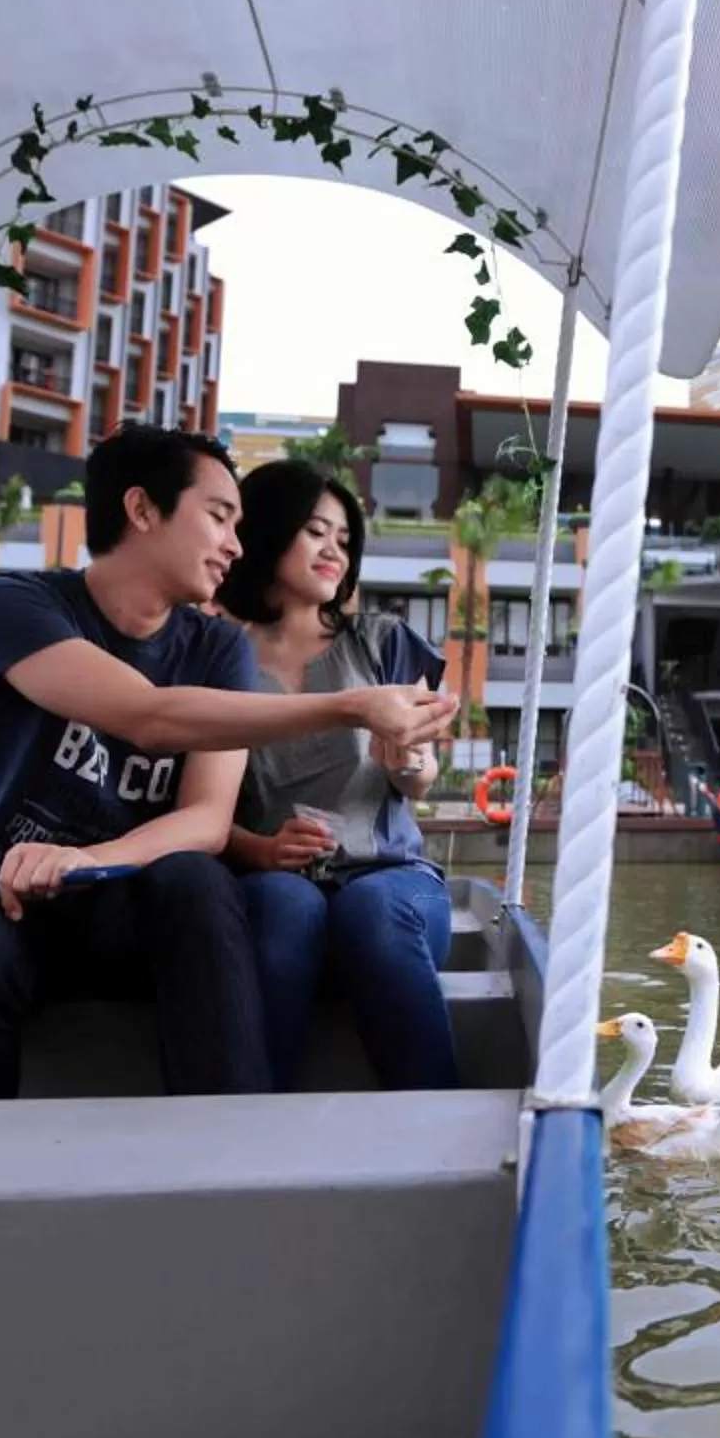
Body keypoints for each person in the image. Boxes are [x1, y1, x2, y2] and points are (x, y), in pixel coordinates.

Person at [0, 425, 456, 1102]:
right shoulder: (9, 605)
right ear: (141, 509)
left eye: (240, 525)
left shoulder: (220, 649)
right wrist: (354, 708)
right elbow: (148, 715)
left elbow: (207, 820)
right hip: (0, 891)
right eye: (218, 517)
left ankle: (230, 1129)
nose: (235, 545)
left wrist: (89, 859)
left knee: (198, 880)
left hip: (133, 902)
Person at [216, 461, 461, 1090]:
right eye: (315, 532)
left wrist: (407, 760)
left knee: (372, 912)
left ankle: (432, 1117)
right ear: (268, 532)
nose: (334, 552)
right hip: (273, 886)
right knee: (284, 907)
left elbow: (421, 778)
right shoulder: (216, 657)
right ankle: (252, 1119)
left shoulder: (382, 643)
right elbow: (194, 808)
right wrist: (261, 850)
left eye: (344, 540)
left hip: (392, 881)